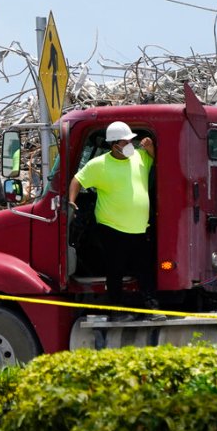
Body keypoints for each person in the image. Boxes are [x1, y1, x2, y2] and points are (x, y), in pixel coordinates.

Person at [68, 121, 161, 319]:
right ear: (114, 145)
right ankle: (116, 311)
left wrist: (151, 148)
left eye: (131, 140)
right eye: (125, 141)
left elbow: (161, 162)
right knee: (115, 270)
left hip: (139, 227)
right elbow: (77, 180)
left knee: (144, 269)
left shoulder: (140, 157)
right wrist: (71, 202)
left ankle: (152, 308)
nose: (130, 144)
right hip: (112, 228)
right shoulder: (99, 164)